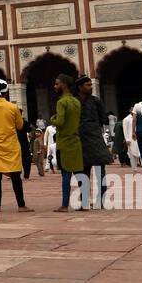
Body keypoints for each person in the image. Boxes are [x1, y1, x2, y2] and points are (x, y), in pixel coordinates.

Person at [0, 79, 32, 213]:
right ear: (6, 92)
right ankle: (21, 205)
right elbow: (20, 125)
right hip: (11, 145)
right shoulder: (13, 107)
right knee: (16, 176)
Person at [50, 75, 83, 212]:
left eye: (57, 84)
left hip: (64, 141)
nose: (55, 86)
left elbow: (60, 122)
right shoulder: (76, 101)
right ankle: (85, 201)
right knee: (80, 174)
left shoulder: (61, 102)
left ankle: (64, 205)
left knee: (66, 175)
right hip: (75, 141)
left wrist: (52, 119)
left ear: (64, 85)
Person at [77, 76, 109, 209]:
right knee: (83, 172)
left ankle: (100, 201)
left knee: (100, 172)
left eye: (91, 85)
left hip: (95, 139)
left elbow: (103, 119)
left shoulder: (96, 101)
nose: (91, 87)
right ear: (80, 87)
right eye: (88, 85)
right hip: (81, 140)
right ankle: (85, 201)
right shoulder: (74, 101)